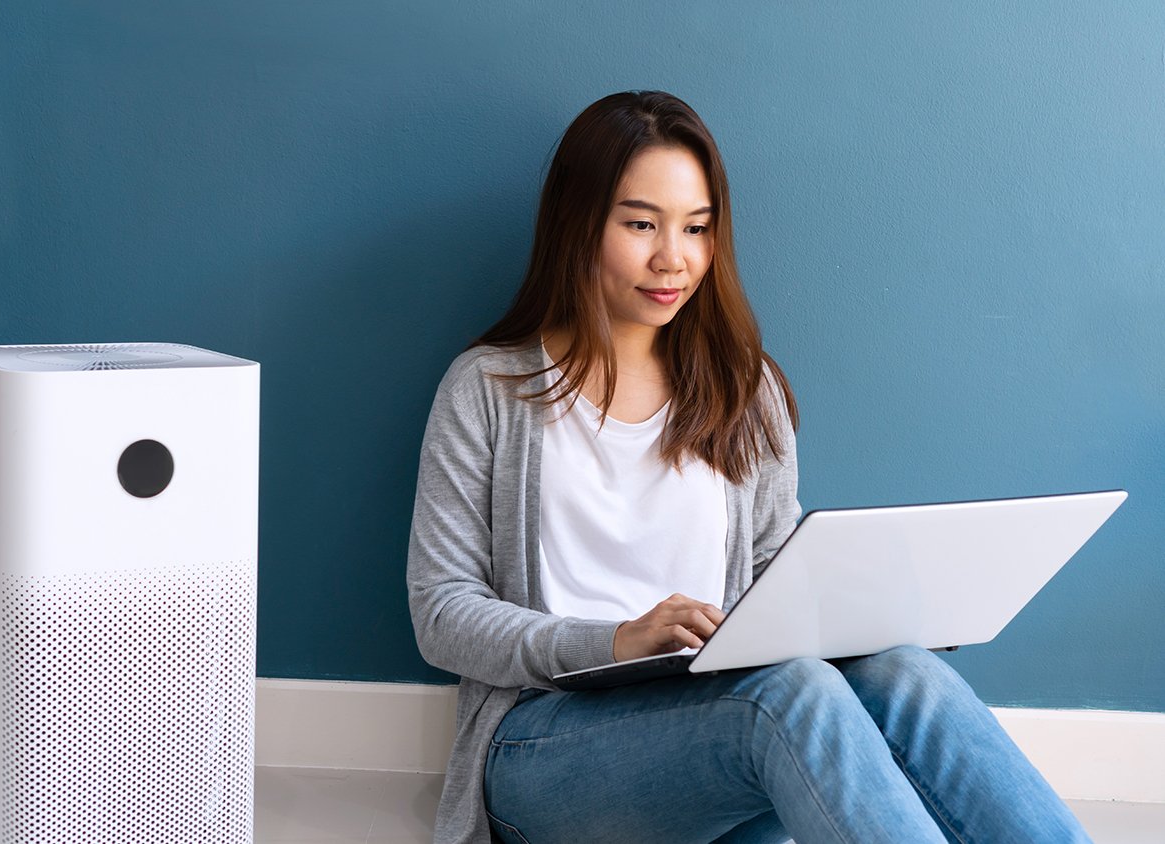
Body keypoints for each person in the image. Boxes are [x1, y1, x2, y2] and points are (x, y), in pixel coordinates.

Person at [406, 91, 1090, 844]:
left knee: (904, 671)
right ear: (579, 223)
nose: (675, 258)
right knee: (789, 694)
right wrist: (615, 640)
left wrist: (886, 612)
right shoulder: (489, 389)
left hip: (723, 717)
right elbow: (442, 614)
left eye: (697, 229)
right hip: (545, 745)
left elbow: (774, 575)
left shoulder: (744, 386)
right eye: (641, 225)